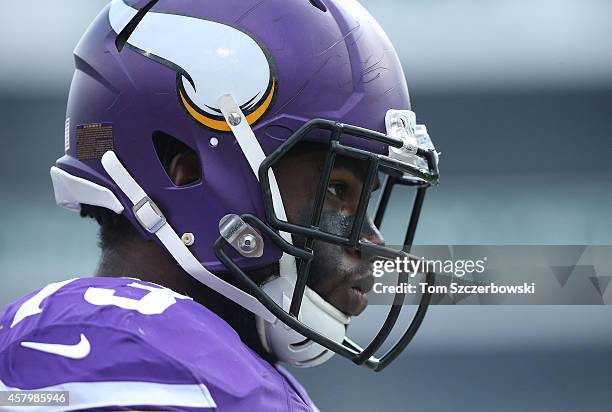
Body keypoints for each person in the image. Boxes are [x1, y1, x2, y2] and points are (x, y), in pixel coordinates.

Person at [0, 0, 439, 410]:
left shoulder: (29, 336)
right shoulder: (151, 365)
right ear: (189, 172)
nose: (369, 241)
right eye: (338, 190)